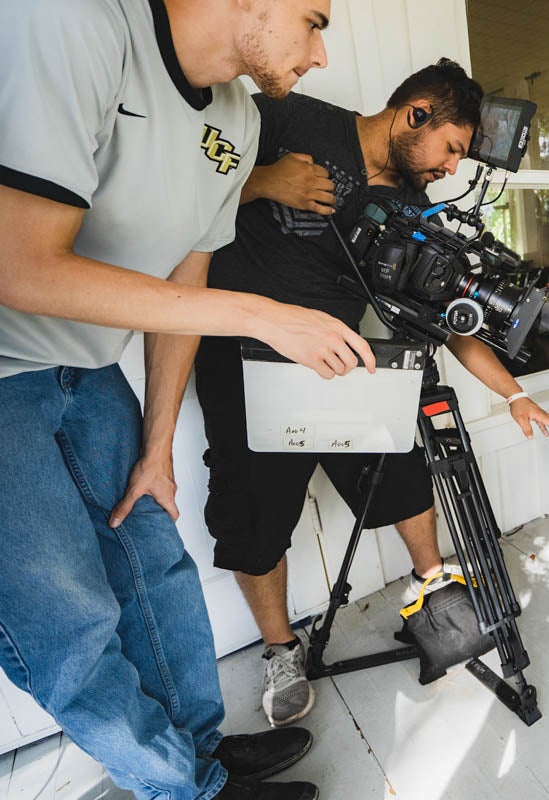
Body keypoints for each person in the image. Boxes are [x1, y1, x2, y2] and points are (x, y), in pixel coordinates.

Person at [0, 1, 381, 798]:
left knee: (157, 569)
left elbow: (187, 273)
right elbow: (22, 268)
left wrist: (157, 446)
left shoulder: (238, 119)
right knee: (68, 629)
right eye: (313, 21)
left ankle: (197, 752)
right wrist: (262, 315)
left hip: (89, 375)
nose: (317, 54)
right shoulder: (76, 24)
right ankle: (186, 791)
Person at [195, 58, 549, 729]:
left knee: (401, 473)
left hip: (344, 363)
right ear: (416, 112)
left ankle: (433, 592)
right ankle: (281, 649)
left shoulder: (414, 209)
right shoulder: (289, 118)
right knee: (253, 517)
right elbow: (182, 183)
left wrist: (515, 396)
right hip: (245, 361)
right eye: (451, 147)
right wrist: (261, 183)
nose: (451, 168)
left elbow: (453, 327)